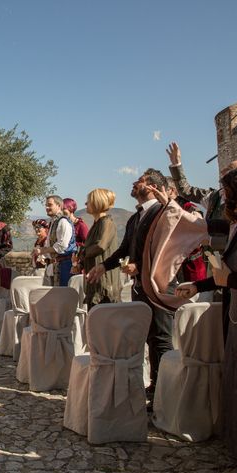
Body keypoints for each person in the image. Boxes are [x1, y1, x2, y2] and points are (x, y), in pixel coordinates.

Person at [176, 165, 237, 470]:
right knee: (235, 379)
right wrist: (197, 285)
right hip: (236, 313)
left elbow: (233, 276)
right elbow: (224, 272)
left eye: (227, 193)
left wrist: (230, 280)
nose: (224, 199)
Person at [87, 169, 173, 400]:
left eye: (141, 181)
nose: (134, 183)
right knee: (147, 336)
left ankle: (165, 393)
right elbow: (125, 249)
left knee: (162, 338)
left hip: (159, 286)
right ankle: (154, 388)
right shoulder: (136, 217)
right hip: (139, 287)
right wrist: (104, 266)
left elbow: (167, 251)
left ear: (153, 187)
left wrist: (140, 266)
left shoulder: (162, 213)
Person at [166, 141, 237, 251]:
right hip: (211, 259)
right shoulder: (213, 196)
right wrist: (176, 164)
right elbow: (186, 190)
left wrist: (209, 241)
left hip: (233, 263)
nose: (222, 171)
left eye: (228, 169)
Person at [75, 189, 120, 309]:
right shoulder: (97, 224)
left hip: (104, 283)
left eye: (88, 201)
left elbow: (101, 246)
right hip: (94, 280)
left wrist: (83, 253)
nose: (85, 204)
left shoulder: (106, 223)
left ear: (97, 203)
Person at [33, 195, 77, 287]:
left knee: (63, 296)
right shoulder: (54, 222)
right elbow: (50, 243)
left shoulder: (63, 222)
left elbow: (62, 246)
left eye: (50, 205)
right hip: (56, 265)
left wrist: (43, 250)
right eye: (46, 205)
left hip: (65, 265)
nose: (47, 207)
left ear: (59, 206)